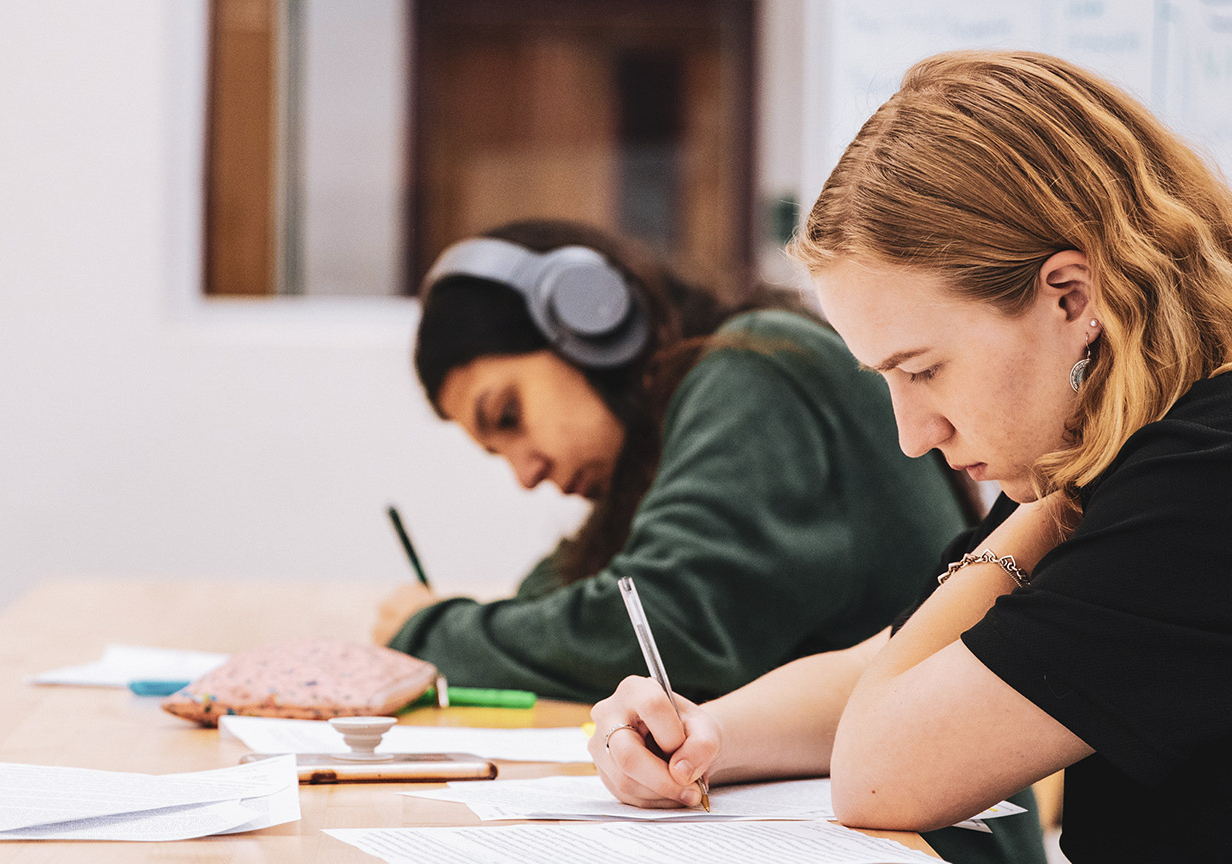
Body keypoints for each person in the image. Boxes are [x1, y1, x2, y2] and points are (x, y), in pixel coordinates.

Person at [586, 49, 1232, 862]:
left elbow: (884, 770)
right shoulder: (1161, 432)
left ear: (1073, 297)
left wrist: (1048, 506)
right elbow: (908, 663)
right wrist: (704, 733)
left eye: (923, 370)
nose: (915, 435)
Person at [373, 218, 975, 706]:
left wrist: (428, 632)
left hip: (924, 846)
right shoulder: (662, 444)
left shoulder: (757, 370)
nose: (526, 474)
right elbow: (554, 604)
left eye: (509, 417)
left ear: (590, 319)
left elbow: (665, 629)